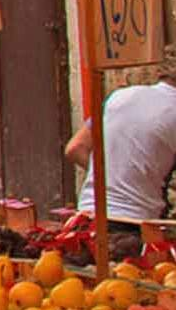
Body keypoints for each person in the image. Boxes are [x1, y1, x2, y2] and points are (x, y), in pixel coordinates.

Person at [65, 65, 176, 256]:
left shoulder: (117, 97)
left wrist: (113, 174)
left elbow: (75, 148)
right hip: (132, 232)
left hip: (85, 220)